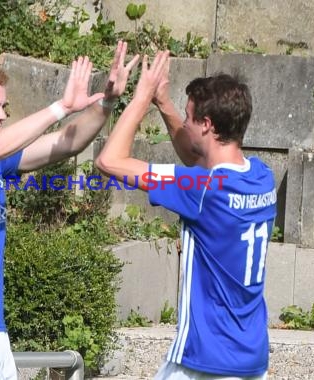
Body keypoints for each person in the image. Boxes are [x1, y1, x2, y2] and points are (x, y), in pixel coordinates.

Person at [0, 41, 140, 380]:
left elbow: (68, 143)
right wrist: (61, 105)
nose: (1, 114)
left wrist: (107, 101)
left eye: (4, 106)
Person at [95, 51, 277, 379]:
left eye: (191, 118)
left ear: (207, 125)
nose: (187, 124)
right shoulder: (262, 177)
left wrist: (141, 98)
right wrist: (164, 104)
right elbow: (196, 156)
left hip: (206, 358)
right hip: (250, 356)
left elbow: (109, 160)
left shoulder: (201, 188)